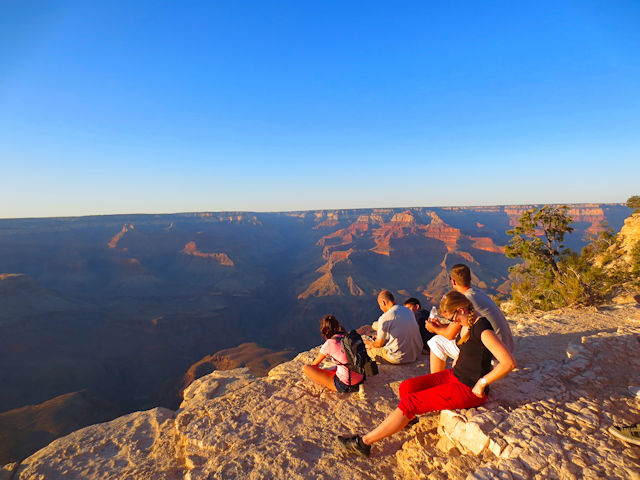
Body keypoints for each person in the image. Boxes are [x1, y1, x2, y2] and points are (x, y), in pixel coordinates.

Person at [337, 290, 516, 457]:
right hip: (454, 375)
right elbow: (471, 349)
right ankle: (406, 419)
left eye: (453, 318)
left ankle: (363, 443)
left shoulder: (482, 329)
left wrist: (483, 382)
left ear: (461, 309)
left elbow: (508, 362)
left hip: (468, 389)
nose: (454, 322)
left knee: (410, 403)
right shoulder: (466, 321)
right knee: (407, 387)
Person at [427, 264, 515, 373]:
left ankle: (436, 378)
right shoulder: (478, 293)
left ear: (453, 281)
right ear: (470, 278)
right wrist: (441, 326)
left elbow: (450, 335)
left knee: (436, 341)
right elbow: (459, 325)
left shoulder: (465, 300)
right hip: (506, 347)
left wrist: (433, 329)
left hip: (494, 355)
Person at [302, 314, 364, 393]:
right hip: (361, 378)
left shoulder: (329, 343)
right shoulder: (349, 337)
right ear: (338, 327)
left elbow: (314, 365)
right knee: (339, 366)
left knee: (306, 368)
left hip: (346, 385)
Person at [363, 290, 423, 364]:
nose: (381, 308)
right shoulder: (408, 311)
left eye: (380, 305)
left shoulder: (385, 317)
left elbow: (378, 344)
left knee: (368, 351)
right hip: (415, 354)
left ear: (383, 302)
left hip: (399, 358)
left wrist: (371, 344)